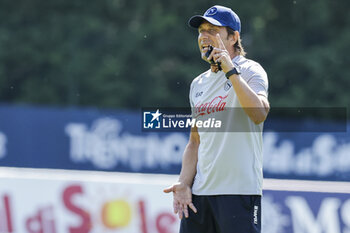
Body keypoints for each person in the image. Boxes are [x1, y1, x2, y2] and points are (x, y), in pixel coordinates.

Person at [164, 5, 270, 233]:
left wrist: (230, 71)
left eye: (213, 30)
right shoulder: (197, 84)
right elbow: (195, 142)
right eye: (201, 30)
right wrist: (184, 183)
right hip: (200, 195)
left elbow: (259, 113)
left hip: (240, 193)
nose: (204, 36)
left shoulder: (251, 70)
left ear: (233, 37)